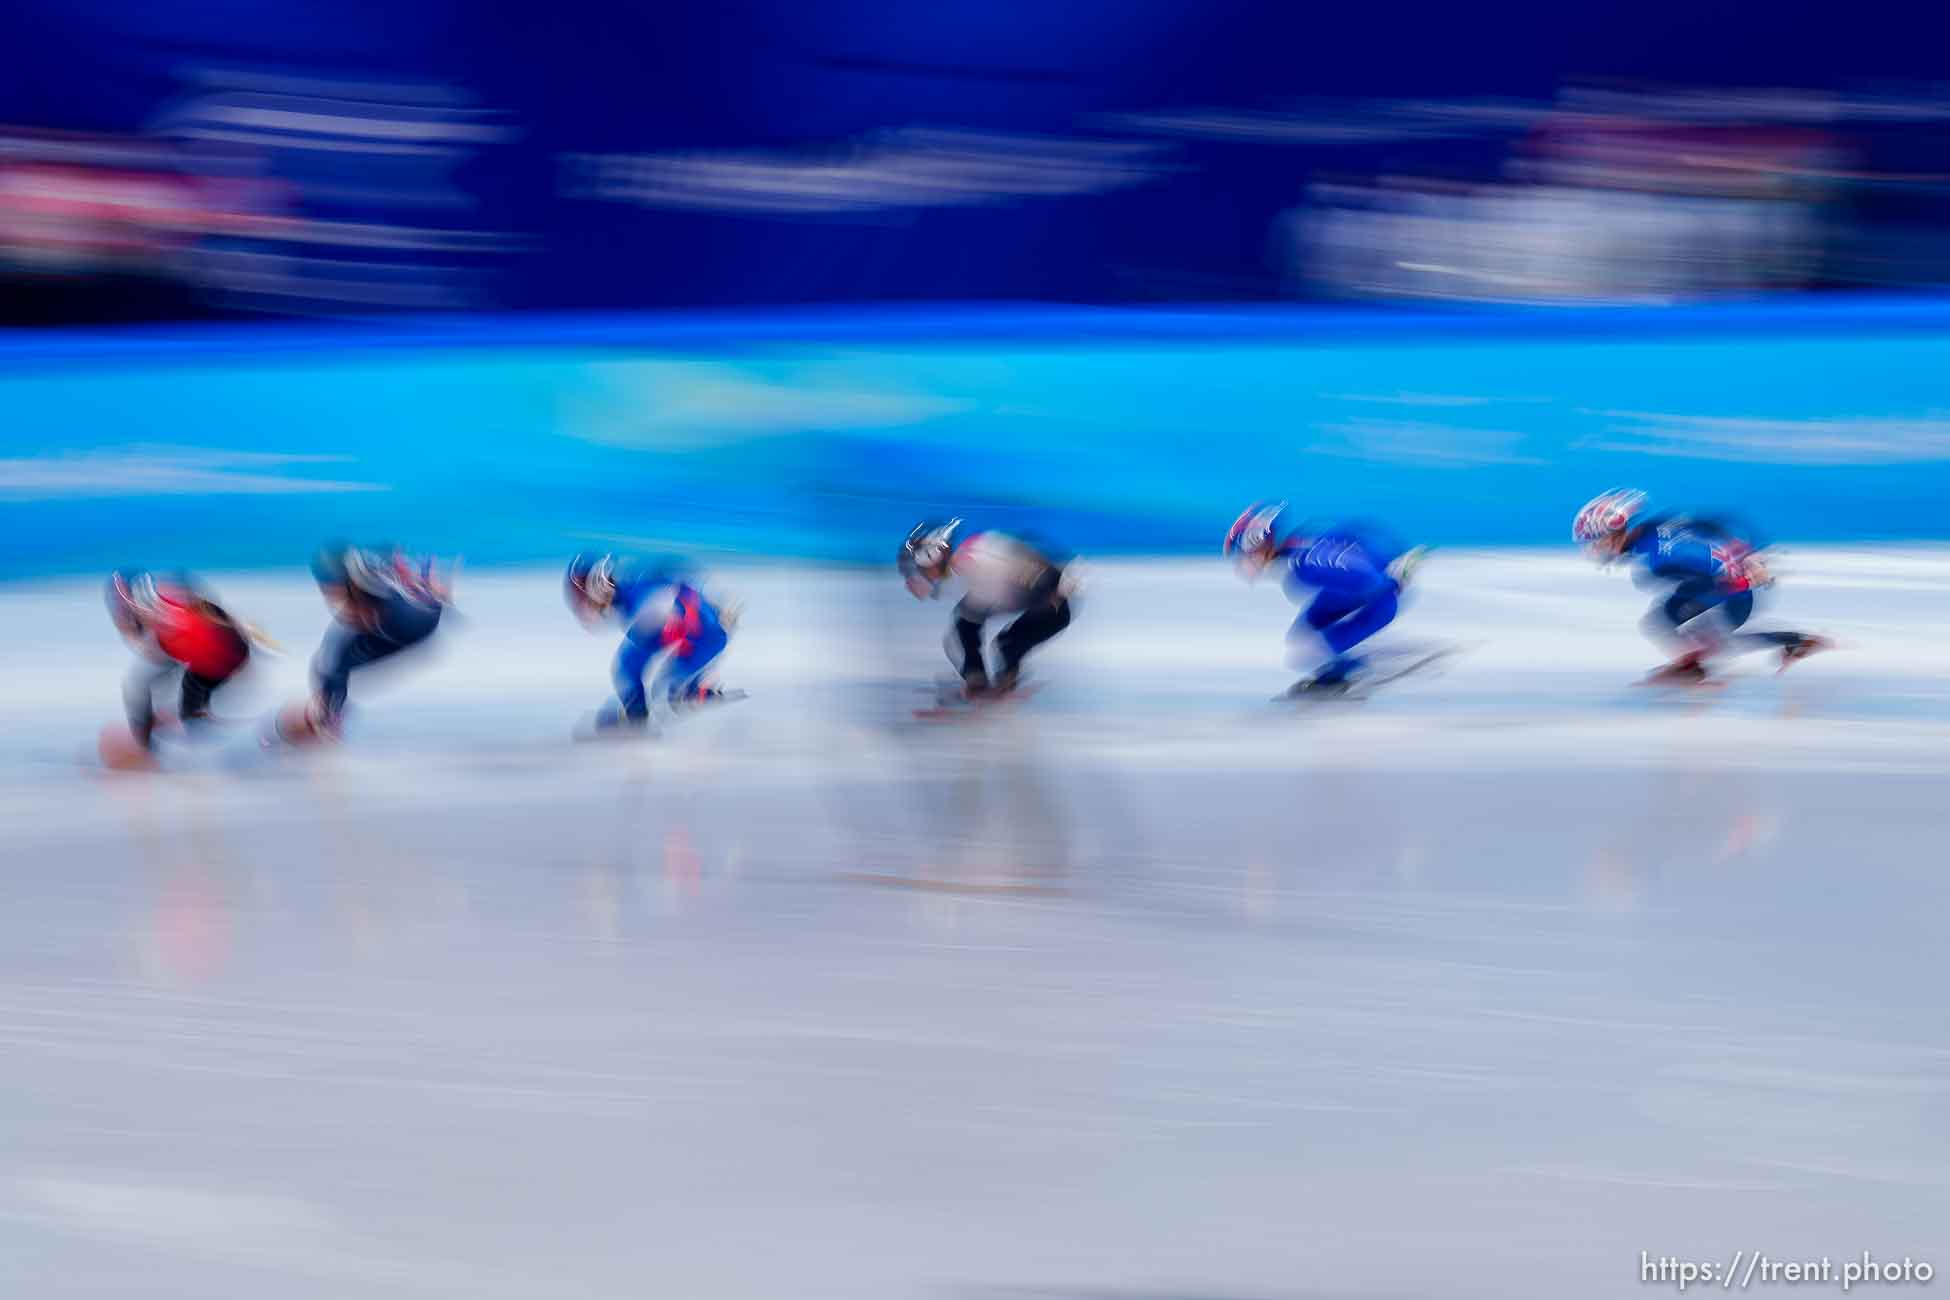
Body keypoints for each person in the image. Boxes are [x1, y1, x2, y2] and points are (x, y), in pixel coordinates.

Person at [1573, 488, 1829, 684]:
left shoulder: (1656, 562)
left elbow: (1714, 582)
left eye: (1596, 542)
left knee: (1718, 639)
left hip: (1733, 590)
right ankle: (1692, 663)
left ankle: (1797, 641)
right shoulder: (1658, 525)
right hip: (1731, 577)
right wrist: (1754, 553)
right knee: (1667, 618)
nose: (1594, 550)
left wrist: (1749, 574)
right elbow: (1714, 521)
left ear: (1614, 534)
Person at [1223, 501, 1425, 695]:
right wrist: (1393, 557)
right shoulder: (1299, 549)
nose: (1242, 563)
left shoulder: (1304, 565)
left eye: (1243, 555)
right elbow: (1354, 533)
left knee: (1307, 650)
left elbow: (1364, 577)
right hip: (1366, 591)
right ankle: (1341, 672)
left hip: (1381, 600)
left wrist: (1394, 579)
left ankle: (1371, 662)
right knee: (1302, 636)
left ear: (1258, 542)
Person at [283, 543, 450, 742]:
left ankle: (327, 717)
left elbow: (393, 577)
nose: (327, 594)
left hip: (412, 623)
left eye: (328, 586)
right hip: (408, 621)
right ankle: (328, 716)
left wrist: (425, 584)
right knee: (329, 663)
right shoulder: (363, 591)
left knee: (331, 663)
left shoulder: (373, 597)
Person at [898, 519, 1076, 699]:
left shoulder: (982, 555)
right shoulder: (966, 565)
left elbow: (1042, 570)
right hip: (1021, 592)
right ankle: (980, 679)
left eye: (922, 568)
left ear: (935, 555)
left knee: (1005, 643)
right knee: (964, 626)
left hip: (1051, 601)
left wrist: (1051, 583)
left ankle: (1002, 679)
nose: (921, 573)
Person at [564, 553, 739, 733]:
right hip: (683, 629)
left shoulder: (641, 603)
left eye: (583, 597)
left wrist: (687, 681)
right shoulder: (633, 599)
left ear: (598, 585)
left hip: (705, 634)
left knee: (664, 690)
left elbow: (689, 611)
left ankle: (690, 689)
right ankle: (639, 713)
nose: (585, 605)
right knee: (628, 666)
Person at [105, 569, 256, 751]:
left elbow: (151, 634)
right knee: (156, 691)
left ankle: (146, 744)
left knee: (141, 687)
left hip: (216, 657)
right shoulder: (167, 608)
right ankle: (159, 733)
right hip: (218, 657)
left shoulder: (159, 606)